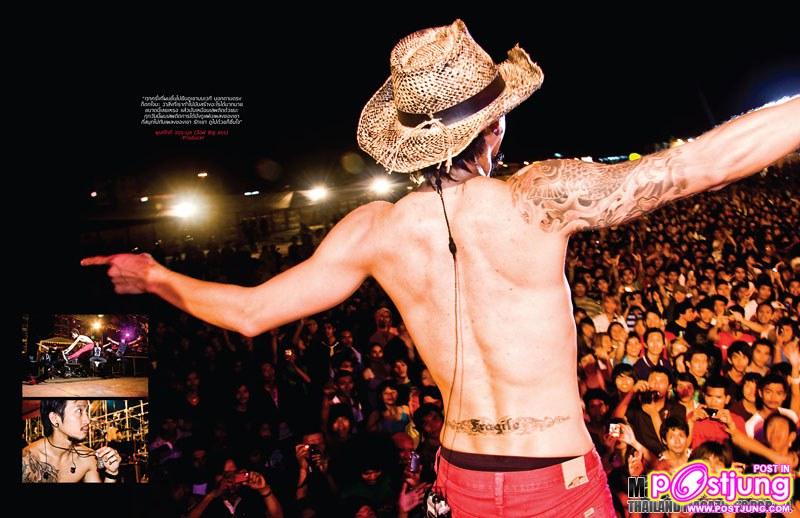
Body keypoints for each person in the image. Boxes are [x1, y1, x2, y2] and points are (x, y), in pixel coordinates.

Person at [81, 19, 800, 516]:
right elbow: (698, 165)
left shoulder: (374, 230)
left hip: (458, 479)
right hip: (553, 480)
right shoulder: (538, 198)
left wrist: (156, 277)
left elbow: (249, 314)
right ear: (496, 124)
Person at [22, 399, 121, 483]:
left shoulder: (87, 458)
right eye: (79, 411)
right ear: (54, 418)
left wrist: (111, 473)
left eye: (86, 411)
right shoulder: (27, 459)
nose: (87, 420)